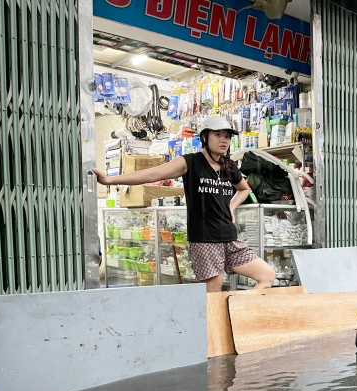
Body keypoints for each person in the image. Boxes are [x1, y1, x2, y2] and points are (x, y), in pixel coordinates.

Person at [94, 116, 275, 292]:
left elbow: (244, 189)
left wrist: (231, 206)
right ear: (205, 137)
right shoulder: (190, 162)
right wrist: (110, 180)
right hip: (205, 239)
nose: (224, 140)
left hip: (230, 237)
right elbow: (152, 175)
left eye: (227, 136)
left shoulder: (229, 166)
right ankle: (211, 323)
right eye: (218, 135)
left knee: (266, 276)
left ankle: (238, 317)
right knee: (214, 289)